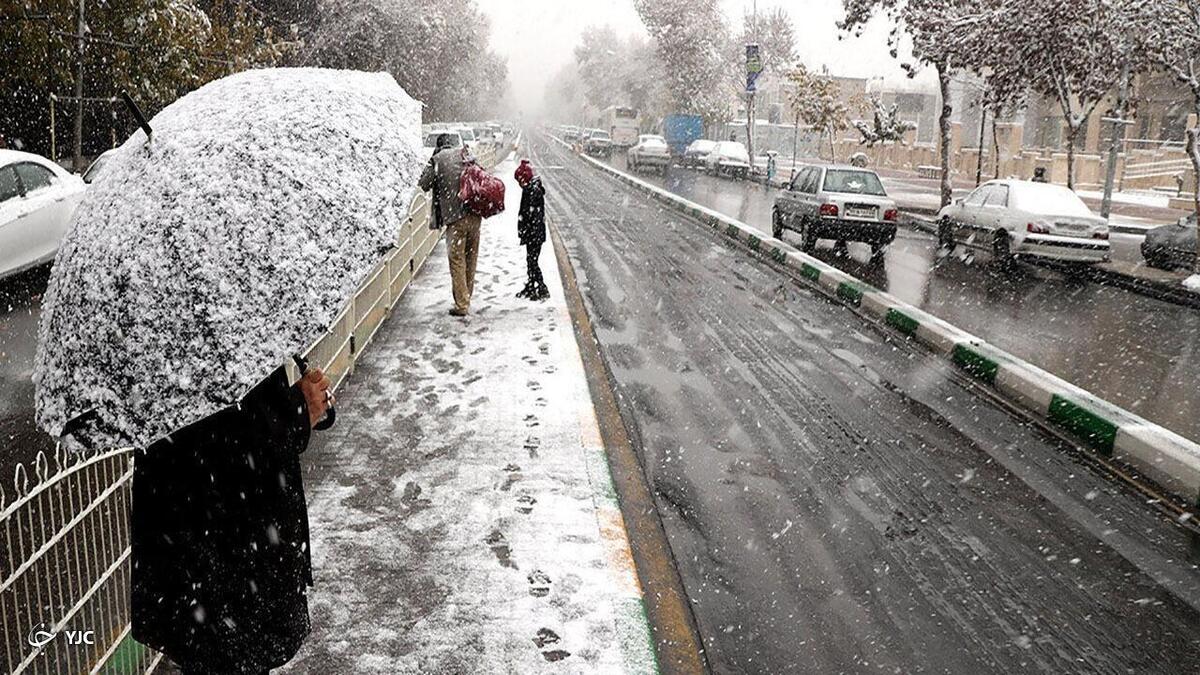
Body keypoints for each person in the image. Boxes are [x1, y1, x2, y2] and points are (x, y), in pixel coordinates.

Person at [131, 365, 332, 675]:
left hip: (205, 556)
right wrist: (297, 412)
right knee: (229, 657)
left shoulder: (169, 351)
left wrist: (301, 409)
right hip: (227, 557)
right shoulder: (208, 349)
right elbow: (233, 443)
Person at [419, 134, 482, 316]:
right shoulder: (465, 154)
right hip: (475, 215)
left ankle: (462, 304)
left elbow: (424, 184)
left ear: (438, 146)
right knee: (471, 258)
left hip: (455, 219)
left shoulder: (438, 159)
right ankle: (466, 296)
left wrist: (432, 162)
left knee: (457, 260)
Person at [514, 159, 548, 301]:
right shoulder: (531, 189)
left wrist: (528, 231)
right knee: (530, 260)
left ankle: (541, 286)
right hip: (534, 233)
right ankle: (531, 284)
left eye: (519, 181)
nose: (519, 184)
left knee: (533, 261)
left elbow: (532, 215)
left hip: (534, 233)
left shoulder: (532, 192)